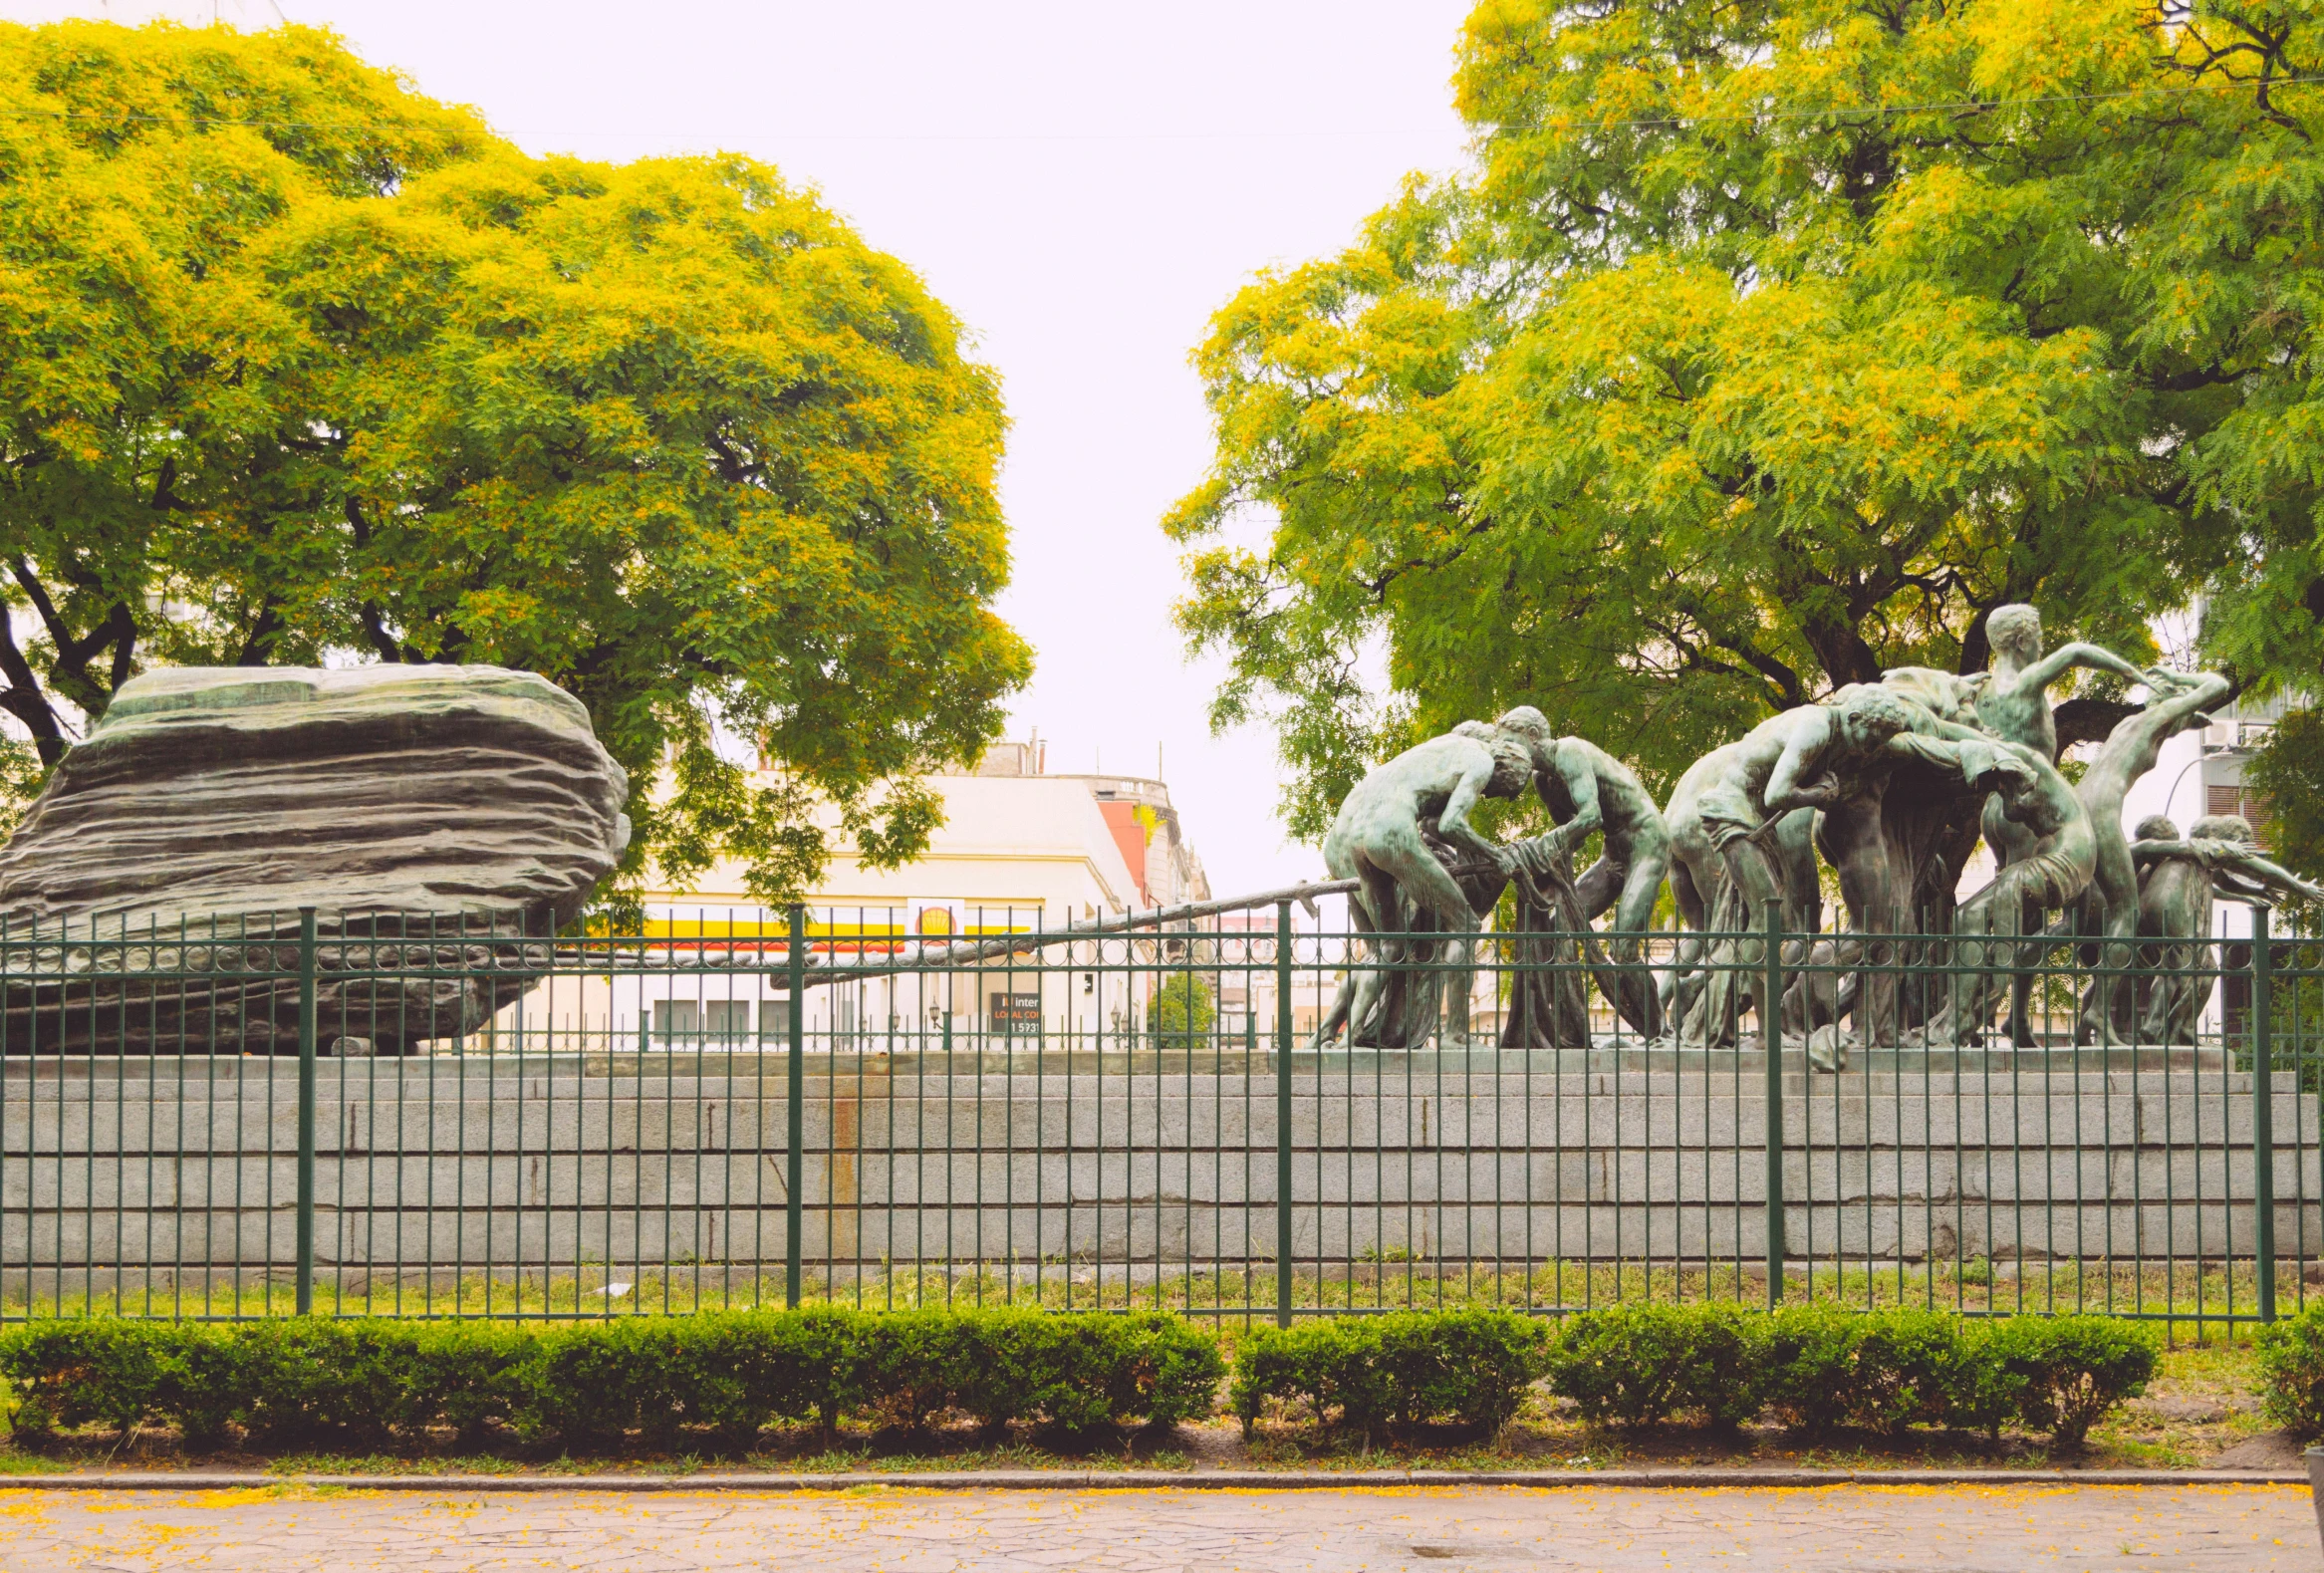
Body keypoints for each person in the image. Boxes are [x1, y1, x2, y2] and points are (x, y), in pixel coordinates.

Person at [1312, 718, 1535, 1049]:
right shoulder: (1482, 760)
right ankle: (1456, 1035)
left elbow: (1434, 823)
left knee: (1385, 947)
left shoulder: (1440, 750)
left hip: (1354, 838)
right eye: (1505, 790)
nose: (1493, 795)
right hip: (1391, 832)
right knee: (1467, 926)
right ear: (1505, 769)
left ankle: (1339, 1036)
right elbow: (1451, 823)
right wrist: (1496, 855)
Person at [1491, 706, 1672, 1035]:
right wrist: (1528, 859)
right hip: (1613, 852)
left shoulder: (1570, 752)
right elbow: (1570, 840)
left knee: (1624, 944)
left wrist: (1545, 843)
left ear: (1532, 737)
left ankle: (1660, 1031)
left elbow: (1590, 817)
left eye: (1511, 743)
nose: (1507, 752)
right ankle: (1565, 1025)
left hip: (1647, 842)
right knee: (1557, 925)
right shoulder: (1542, 780)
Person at [2069, 672, 2228, 1041]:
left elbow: (2167, 728)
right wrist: (2175, 680)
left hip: (2081, 805)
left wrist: (2188, 721)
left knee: (2067, 924)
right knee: (2127, 916)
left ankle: (2030, 1009)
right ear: (2168, 700)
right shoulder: (2156, 714)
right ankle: (2095, 1014)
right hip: (2102, 810)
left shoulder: (2131, 724)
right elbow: (2218, 685)